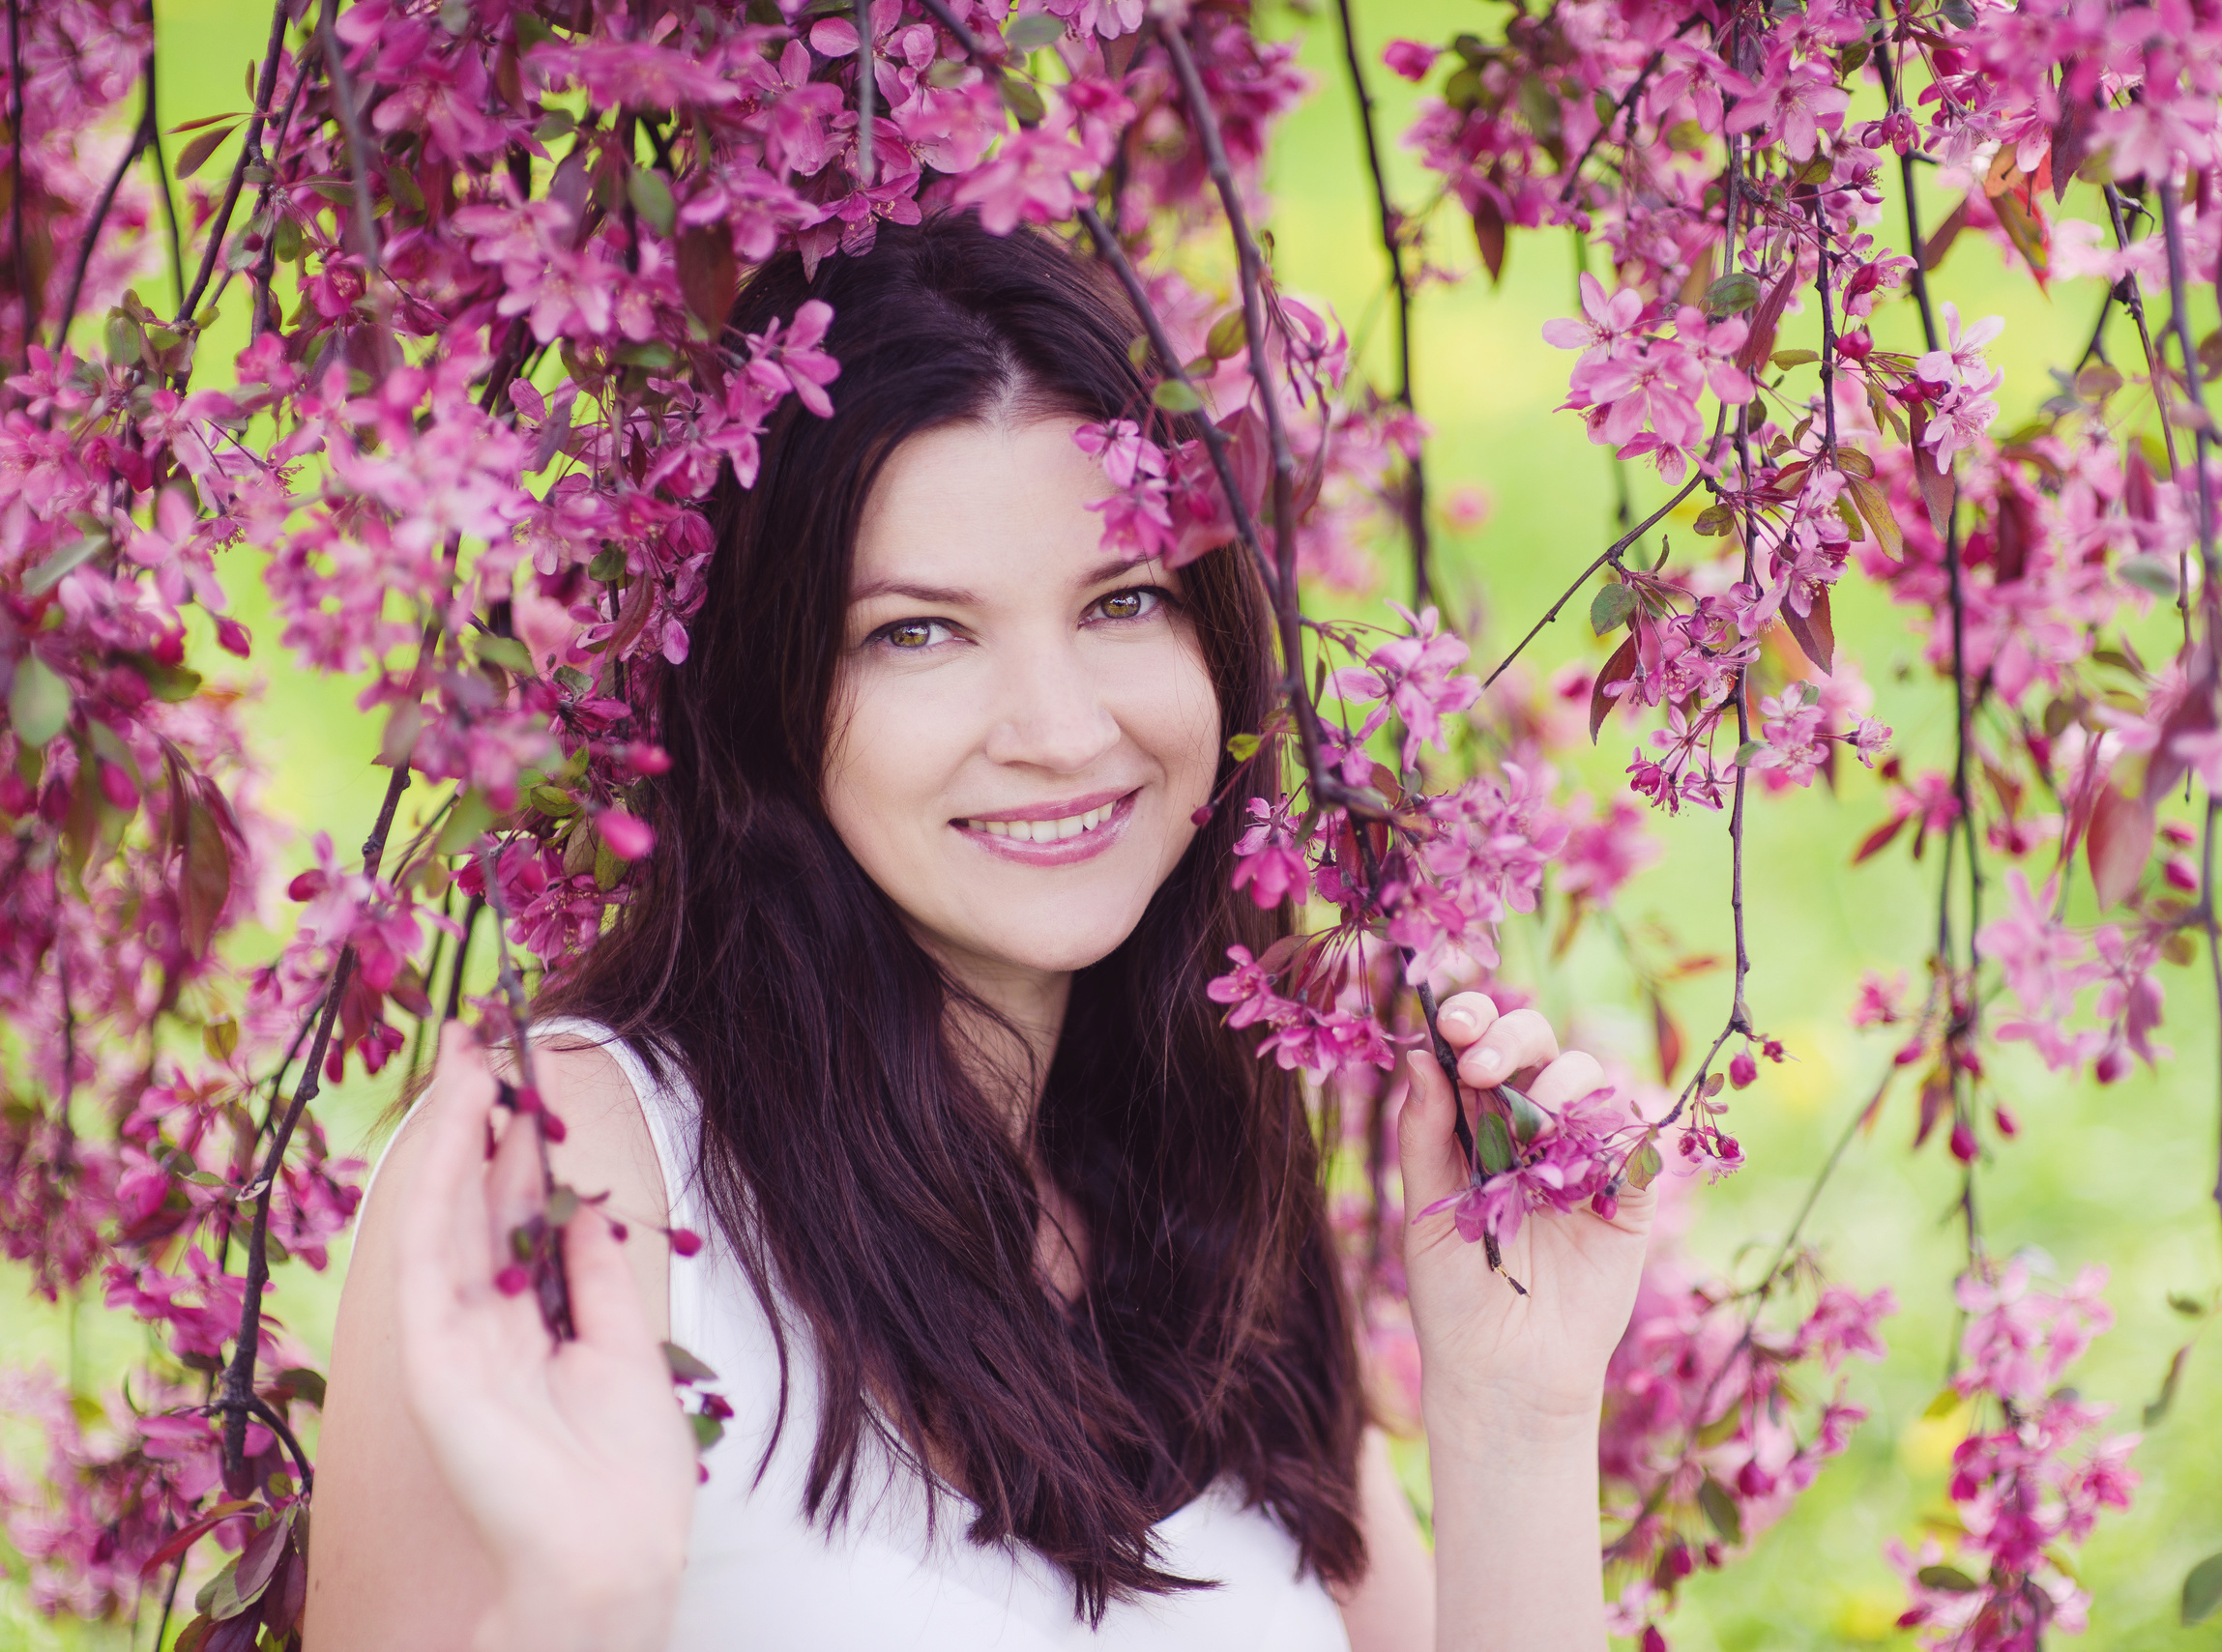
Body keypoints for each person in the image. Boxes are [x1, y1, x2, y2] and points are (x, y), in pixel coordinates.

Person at [306, 216, 1655, 1652]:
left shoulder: (1198, 1180)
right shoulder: (575, 1167)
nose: (1061, 732)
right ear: (768, 687)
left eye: (1124, 601)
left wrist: (1516, 1415)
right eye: (918, 632)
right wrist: (581, 1609)